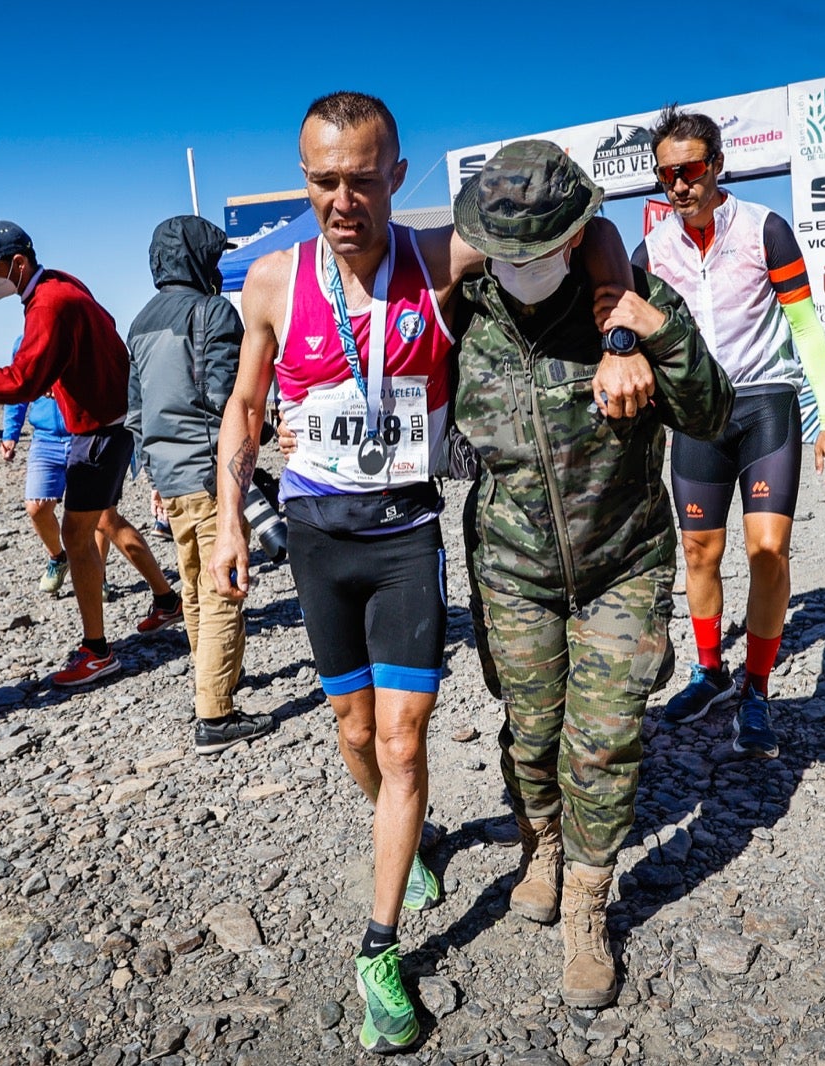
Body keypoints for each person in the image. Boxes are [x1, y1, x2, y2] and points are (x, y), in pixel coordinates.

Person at [207, 92, 642, 1055]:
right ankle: (409, 832)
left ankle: (379, 945)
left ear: (397, 175)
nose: (344, 199)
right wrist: (232, 518)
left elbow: (594, 228)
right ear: (305, 180)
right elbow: (244, 408)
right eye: (325, 181)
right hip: (318, 539)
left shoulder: (438, 256)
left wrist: (616, 333)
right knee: (355, 734)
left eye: (364, 178)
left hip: (407, 532)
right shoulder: (275, 281)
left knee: (403, 745)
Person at [453, 140, 732, 1007]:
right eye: (507, 251)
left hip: (623, 563)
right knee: (532, 736)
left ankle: (588, 905)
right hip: (513, 569)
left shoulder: (628, 305)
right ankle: (541, 844)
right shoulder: (462, 316)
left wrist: (659, 334)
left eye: (542, 247)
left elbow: (713, 414)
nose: (524, 266)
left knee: (605, 740)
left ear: (577, 236)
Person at [638, 106, 825, 758]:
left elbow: (809, 329)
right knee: (699, 554)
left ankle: (755, 692)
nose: (679, 184)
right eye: (667, 174)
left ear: (717, 165)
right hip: (697, 413)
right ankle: (710, 671)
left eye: (691, 169)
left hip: (765, 405)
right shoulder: (651, 248)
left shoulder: (766, 229)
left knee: (767, 551)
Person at [0, 221, 141, 687]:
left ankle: (97, 650)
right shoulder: (62, 284)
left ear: (18, 263)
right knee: (89, 528)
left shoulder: (50, 303)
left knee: (77, 536)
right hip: (111, 425)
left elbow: (23, 381)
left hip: (99, 431)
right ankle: (161, 604)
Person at [125, 215, 274, 755]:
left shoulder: (139, 322)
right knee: (222, 591)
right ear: (199, 259)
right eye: (213, 258)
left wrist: (154, 477)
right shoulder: (213, 312)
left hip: (169, 477)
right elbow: (227, 401)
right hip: (212, 476)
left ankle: (214, 678)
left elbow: (135, 411)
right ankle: (215, 713)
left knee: (192, 583)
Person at [0, 394, 181, 626]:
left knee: (102, 516)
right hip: (48, 438)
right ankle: (58, 558)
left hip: (92, 433)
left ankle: (105, 580)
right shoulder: (34, 356)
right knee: (38, 508)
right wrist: (10, 434)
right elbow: (20, 385)